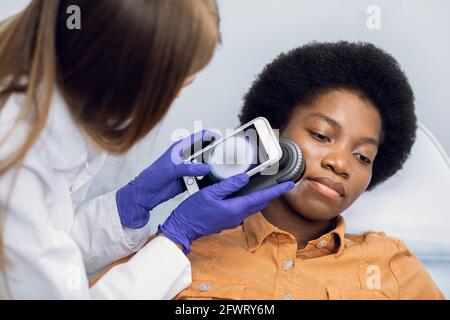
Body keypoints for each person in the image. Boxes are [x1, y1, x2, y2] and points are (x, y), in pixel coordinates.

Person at [0, 0, 293, 299]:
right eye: (180, 83)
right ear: (126, 76)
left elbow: (44, 252)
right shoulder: (16, 161)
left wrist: (129, 206)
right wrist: (177, 237)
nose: (177, 96)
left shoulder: (44, 112)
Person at [173, 41, 445, 300]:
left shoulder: (391, 266)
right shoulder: (183, 247)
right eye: (321, 135)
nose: (339, 164)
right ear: (273, 131)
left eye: (363, 156)